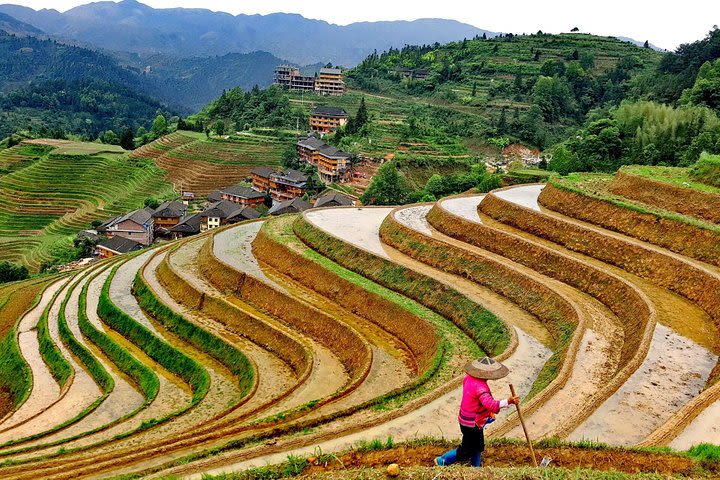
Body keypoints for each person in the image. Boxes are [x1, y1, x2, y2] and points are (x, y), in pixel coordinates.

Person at [434, 357, 519, 467]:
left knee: (478, 446)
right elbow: (491, 404)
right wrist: (508, 401)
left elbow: (475, 401)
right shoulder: (481, 388)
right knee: (466, 450)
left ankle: (476, 467)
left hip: (467, 418)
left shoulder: (468, 378)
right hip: (472, 424)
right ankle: (442, 460)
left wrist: (486, 413)